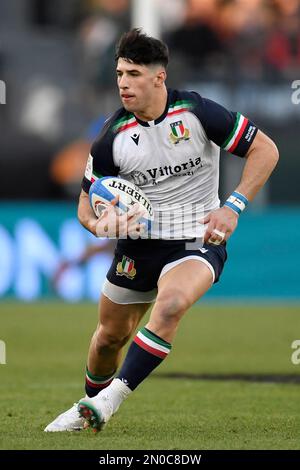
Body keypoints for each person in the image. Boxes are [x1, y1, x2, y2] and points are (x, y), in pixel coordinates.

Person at [45, 28, 279, 433]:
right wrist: (102, 225)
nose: (123, 82)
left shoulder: (197, 111)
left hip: (196, 238)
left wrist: (233, 206)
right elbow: (85, 207)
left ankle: (108, 403)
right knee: (108, 339)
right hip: (138, 247)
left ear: (158, 77)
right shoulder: (111, 137)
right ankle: (89, 406)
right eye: (119, 73)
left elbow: (266, 150)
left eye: (133, 73)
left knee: (170, 307)